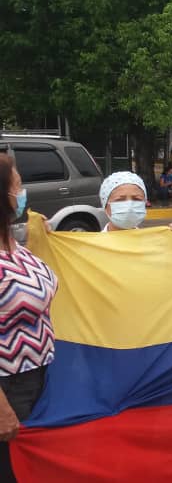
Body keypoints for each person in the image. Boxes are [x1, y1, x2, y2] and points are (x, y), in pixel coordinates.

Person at [0, 155, 59, 482]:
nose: (23, 192)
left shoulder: (14, 243)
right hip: (8, 388)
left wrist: (46, 237)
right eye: (17, 185)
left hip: (38, 378)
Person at [100, 171, 172, 231]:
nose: (129, 205)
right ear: (106, 206)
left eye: (136, 199)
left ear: (144, 203)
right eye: (120, 200)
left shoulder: (153, 244)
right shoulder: (90, 250)